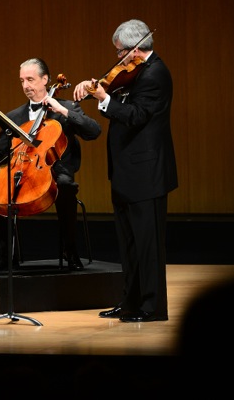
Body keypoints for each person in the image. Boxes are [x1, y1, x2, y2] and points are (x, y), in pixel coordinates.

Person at [73, 19, 177, 322]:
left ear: (135, 49)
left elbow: (137, 115)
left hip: (146, 174)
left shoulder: (155, 74)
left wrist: (104, 98)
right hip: (127, 172)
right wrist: (95, 88)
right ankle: (130, 302)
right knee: (129, 244)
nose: (118, 58)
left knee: (148, 245)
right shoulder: (135, 73)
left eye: (120, 52)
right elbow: (120, 103)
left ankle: (152, 308)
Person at [0, 58, 101, 272]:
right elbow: (0, 149)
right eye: (22, 81)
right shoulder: (14, 116)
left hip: (56, 171)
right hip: (23, 170)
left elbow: (94, 131)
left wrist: (63, 111)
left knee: (65, 187)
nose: (26, 85)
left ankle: (70, 250)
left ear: (45, 80)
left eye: (30, 79)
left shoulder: (67, 107)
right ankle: (7, 255)